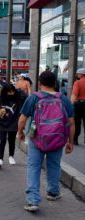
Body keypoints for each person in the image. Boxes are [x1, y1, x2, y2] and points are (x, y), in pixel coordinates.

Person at [18, 71, 74, 212]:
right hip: (57, 138)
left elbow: (23, 118)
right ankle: (53, 192)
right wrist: (70, 142)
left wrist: (20, 132)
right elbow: (72, 123)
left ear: (39, 83)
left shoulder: (34, 98)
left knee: (33, 167)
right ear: (55, 83)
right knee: (54, 165)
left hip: (37, 137)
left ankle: (32, 200)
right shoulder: (63, 99)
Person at [0, 83, 26, 168]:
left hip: (13, 122)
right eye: (9, 92)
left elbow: (26, 97)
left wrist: (19, 91)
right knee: (2, 140)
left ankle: (11, 156)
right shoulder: (0, 99)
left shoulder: (17, 98)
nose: (11, 94)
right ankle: (0, 158)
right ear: (5, 92)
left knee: (11, 140)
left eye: (12, 91)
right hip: (2, 123)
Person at [71, 68, 85, 145]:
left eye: (78, 74)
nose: (77, 75)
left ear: (81, 74)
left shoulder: (78, 83)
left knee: (77, 122)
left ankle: (75, 139)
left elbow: (74, 94)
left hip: (79, 104)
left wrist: (71, 104)